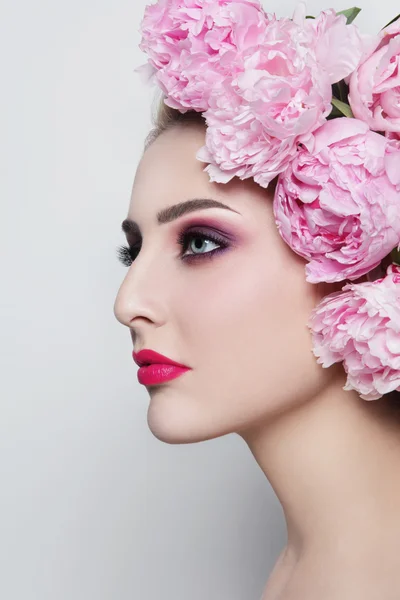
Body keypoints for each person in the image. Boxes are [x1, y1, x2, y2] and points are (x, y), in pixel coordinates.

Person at [113, 1, 400, 598]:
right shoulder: (313, 566)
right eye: (132, 251)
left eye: (198, 241)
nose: (128, 302)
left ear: (359, 246)